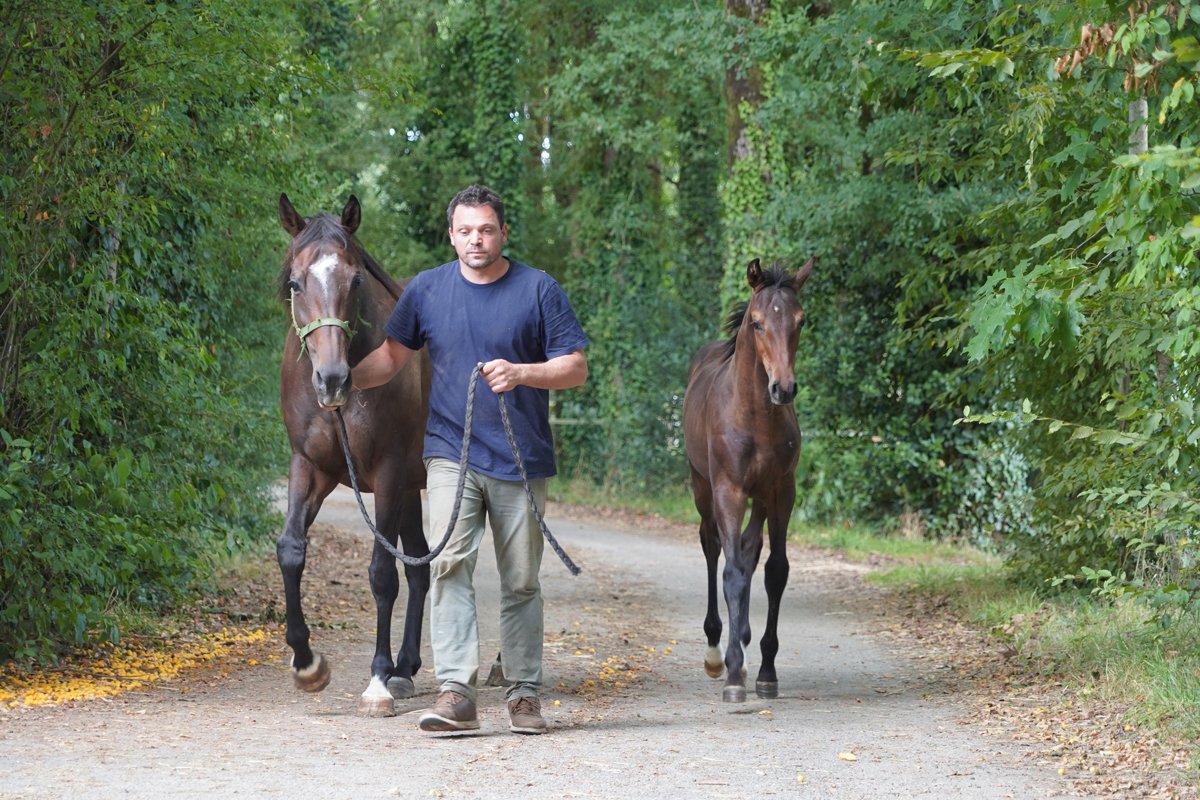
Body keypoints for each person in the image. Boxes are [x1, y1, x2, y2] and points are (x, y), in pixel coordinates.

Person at [350, 185, 589, 735]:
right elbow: (390, 357)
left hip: (520, 458)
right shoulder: (427, 289)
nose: (475, 239)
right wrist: (343, 383)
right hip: (450, 454)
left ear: (503, 233)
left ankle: (523, 694)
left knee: (521, 579)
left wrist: (523, 372)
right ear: (452, 236)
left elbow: (575, 367)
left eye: (485, 229)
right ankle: (457, 692)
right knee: (448, 565)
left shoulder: (538, 289)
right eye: (465, 230)